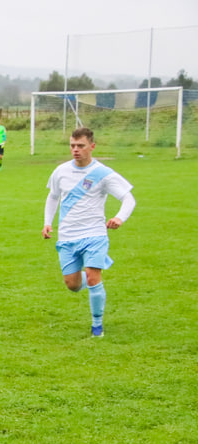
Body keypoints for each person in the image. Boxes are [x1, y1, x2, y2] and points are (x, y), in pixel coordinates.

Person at [42, 127, 136, 338]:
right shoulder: (61, 171)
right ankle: (92, 280)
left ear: (92, 146)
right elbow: (53, 196)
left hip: (94, 234)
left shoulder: (103, 174)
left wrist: (120, 217)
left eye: (80, 146)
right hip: (67, 235)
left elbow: (129, 198)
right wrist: (47, 222)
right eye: (72, 146)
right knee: (72, 285)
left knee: (93, 278)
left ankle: (97, 328)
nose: (75, 150)